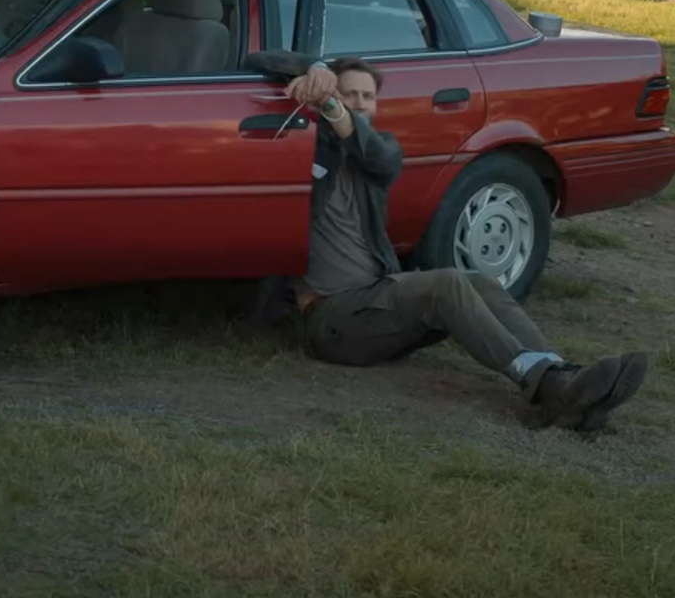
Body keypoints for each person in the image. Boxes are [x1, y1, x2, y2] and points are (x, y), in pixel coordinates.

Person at [246, 50, 647, 433]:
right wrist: (313, 67)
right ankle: (548, 385)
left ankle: (561, 377)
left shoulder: (380, 154)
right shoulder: (305, 150)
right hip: (330, 319)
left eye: (368, 96)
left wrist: (335, 106)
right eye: (349, 93)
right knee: (446, 284)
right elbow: (258, 59)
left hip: (376, 301)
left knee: (479, 281)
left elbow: (375, 153)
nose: (360, 103)